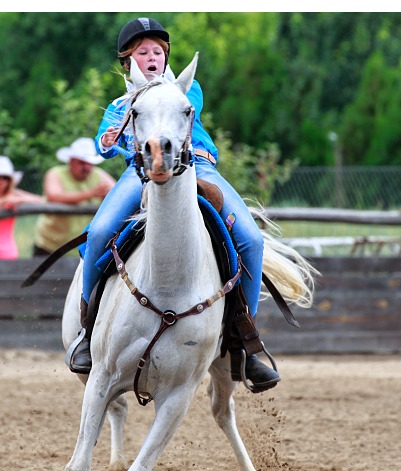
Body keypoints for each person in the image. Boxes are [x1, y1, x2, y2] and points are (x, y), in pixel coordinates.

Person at [66, 17, 280, 391]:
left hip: (198, 170)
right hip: (142, 171)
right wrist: (112, 138)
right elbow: (103, 143)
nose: (152, 57)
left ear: (167, 59)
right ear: (128, 62)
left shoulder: (185, 89)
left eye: (158, 51)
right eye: (143, 52)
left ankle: (245, 341)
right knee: (98, 232)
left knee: (252, 239)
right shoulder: (119, 104)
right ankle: (88, 330)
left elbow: (178, 111)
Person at [32, 138, 116, 257]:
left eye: (90, 163)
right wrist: (92, 193)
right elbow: (54, 196)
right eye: (82, 163)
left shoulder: (98, 174)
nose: (86, 167)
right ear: (71, 162)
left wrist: (106, 197)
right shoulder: (55, 173)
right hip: (50, 246)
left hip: (82, 247)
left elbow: (117, 195)